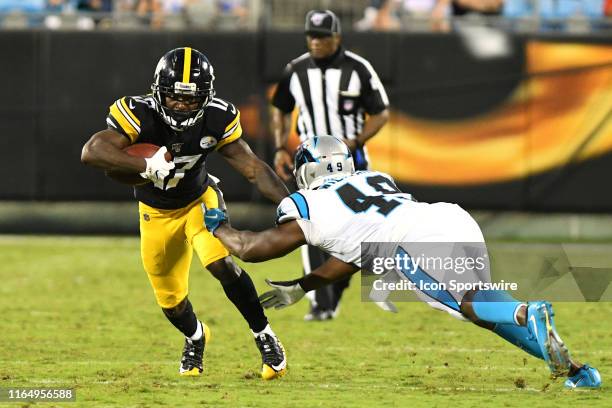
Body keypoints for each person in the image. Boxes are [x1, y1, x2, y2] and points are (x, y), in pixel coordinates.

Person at [204, 135, 602, 389]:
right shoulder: (375, 178)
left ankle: (526, 312)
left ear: (307, 170)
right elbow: (358, 256)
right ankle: (576, 370)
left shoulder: (304, 202)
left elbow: (254, 248)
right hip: (449, 218)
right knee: (480, 308)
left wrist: (219, 225)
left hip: (413, 244)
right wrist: (302, 286)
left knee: (472, 305)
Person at [81, 47, 288, 380]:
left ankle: (264, 335)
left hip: (199, 201)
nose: (182, 106)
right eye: (175, 98)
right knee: (171, 301)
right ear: (158, 92)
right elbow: (92, 152)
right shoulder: (138, 113)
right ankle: (196, 337)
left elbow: (252, 167)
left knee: (221, 263)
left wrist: (289, 203)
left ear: (206, 97)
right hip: (155, 212)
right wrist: (144, 164)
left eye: (191, 100)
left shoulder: (218, 117)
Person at [271, 9, 390, 321]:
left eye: (322, 36)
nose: (316, 42)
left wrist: (356, 141)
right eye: (311, 35)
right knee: (309, 227)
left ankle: (341, 283)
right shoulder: (295, 70)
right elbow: (280, 109)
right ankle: (321, 303)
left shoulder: (358, 69)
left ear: (337, 37)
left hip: (352, 163)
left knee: (359, 231)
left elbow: (381, 113)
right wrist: (280, 146)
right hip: (311, 165)